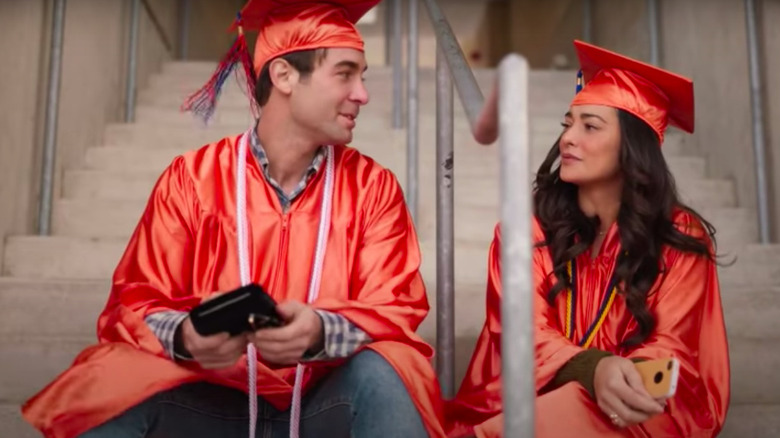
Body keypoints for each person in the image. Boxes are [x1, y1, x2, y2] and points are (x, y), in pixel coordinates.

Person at [22, 1, 445, 437]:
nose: (363, 93)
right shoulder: (193, 179)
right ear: (283, 76)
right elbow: (132, 306)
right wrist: (187, 336)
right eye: (345, 73)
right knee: (109, 375)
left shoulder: (373, 189)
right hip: (211, 404)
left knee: (391, 367)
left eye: (362, 76)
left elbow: (394, 312)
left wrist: (320, 330)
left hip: (321, 407)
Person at [445, 40, 730, 438]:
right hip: (533, 391)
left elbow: (673, 347)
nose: (567, 139)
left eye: (590, 126)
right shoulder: (525, 230)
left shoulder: (678, 237)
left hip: (640, 403)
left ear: (631, 147)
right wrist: (591, 369)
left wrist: (619, 379)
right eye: (568, 123)